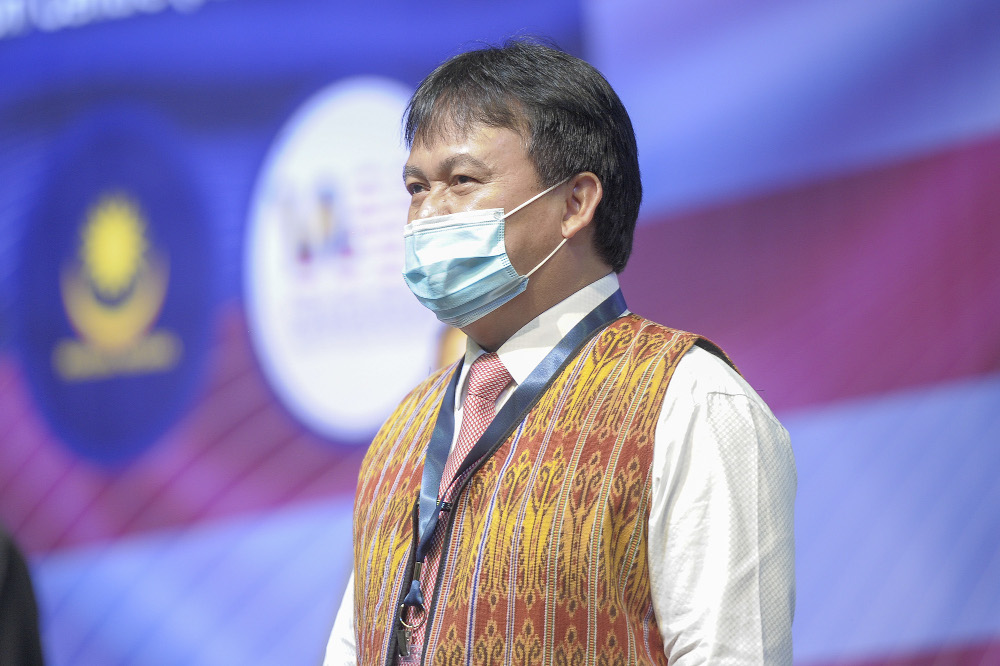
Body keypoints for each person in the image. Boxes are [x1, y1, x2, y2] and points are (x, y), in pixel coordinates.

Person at [325, 39, 795, 665]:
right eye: (415, 188)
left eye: (461, 182)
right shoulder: (401, 435)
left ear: (576, 202)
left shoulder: (690, 403)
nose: (426, 215)